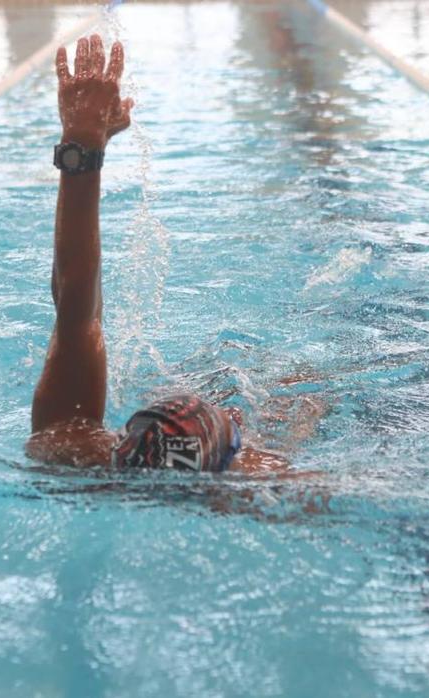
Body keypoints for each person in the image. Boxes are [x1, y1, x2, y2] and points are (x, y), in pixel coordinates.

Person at [26, 35, 311, 475]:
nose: (234, 415)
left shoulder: (74, 453)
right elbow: (75, 306)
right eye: (232, 426)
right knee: (299, 400)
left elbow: (75, 305)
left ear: (122, 446)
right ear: (237, 464)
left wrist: (82, 139)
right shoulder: (275, 483)